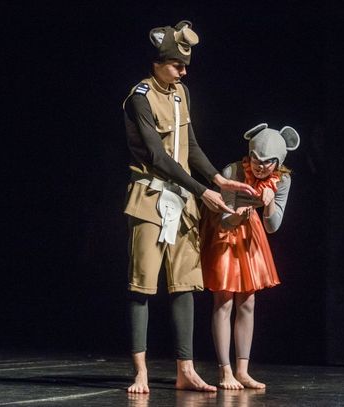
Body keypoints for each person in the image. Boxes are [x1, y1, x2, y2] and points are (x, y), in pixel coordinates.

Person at [122, 20, 254, 394]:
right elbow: (157, 156)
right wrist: (201, 190)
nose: (183, 72)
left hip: (181, 203)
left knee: (184, 285)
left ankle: (186, 370)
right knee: (142, 286)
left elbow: (190, 146)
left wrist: (218, 180)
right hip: (150, 200)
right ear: (158, 62)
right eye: (176, 65)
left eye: (185, 66)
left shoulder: (182, 94)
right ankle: (141, 372)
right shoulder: (140, 97)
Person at [200, 123, 300, 389]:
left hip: (251, 234)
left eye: (267, 162)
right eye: (256, 159)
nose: (260, 166)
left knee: (248, 301)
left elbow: (272, 226)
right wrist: (238, 215)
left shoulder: (282, 180)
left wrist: (269, 203)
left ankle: (242, 371)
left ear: (278, 162)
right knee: (224, 299)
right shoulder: (232, 171)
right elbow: (223, 220)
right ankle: (225, 371)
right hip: (225, 232)